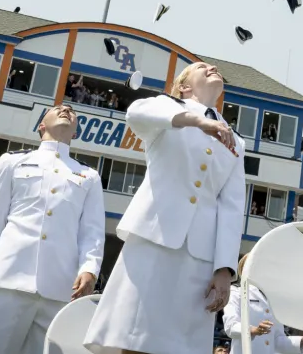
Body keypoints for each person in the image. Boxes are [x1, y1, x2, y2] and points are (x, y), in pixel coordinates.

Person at [84, 62, 246, 354]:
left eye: (214, 67)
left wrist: (224, 269)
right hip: (153, 241)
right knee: (135, 337)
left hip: (200, 259)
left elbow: (232, 207)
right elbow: (136, 113)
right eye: (202, 67)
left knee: (179, 347)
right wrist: (197, 121)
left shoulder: (237, 142)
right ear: (184, 86)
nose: (213, 67)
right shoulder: (166, 108)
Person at [0, 103, 105, 354]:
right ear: (41, 125)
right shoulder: (13, 161)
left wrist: (90, 268)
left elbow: (92, 231)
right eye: (57, 108)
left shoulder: (89, 176)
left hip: (60, 288)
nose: (66, 109)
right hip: (7, 280)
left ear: (76, 132)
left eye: (71, 111)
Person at [223, 254, 303, 354]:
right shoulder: (236, 291)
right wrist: (253, 330)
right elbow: (230, 326)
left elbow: (276, 340)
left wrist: (301, 341)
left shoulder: (274, 298)